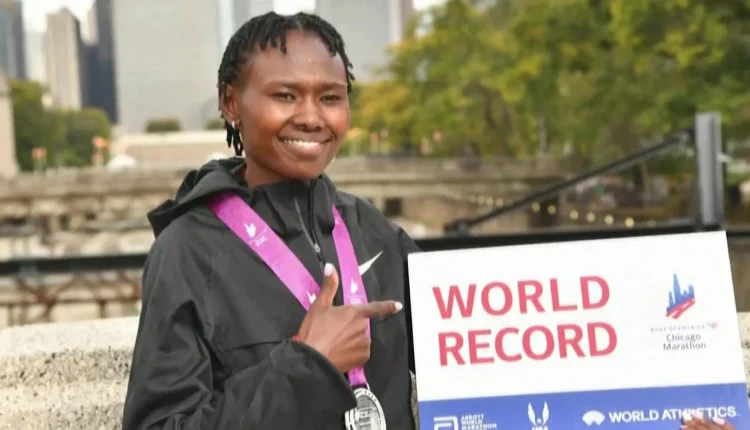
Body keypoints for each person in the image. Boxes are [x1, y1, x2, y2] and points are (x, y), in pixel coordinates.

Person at [121, 12, 418, 430]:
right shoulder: (187, 251)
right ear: (231, 103)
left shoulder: (373, 229)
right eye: (286, 96)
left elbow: (467, 350)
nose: (311, 117)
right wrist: (306, 365)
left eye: (330, 98)